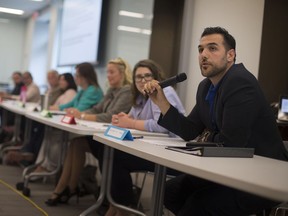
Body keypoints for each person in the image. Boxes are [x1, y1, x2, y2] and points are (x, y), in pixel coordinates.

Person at [143, 27, 288, 216]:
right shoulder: (205, 87)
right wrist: (161, 102)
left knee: (198, 206)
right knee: (170, 192)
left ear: (230, 55)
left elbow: (231, 143)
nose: (203, 55)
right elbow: (189, 130)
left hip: (263, 176)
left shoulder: (240, 82)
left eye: (212, 48)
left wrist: (206, 135)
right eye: (200, 49)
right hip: (231, 168)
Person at [96, 59, 185, 216]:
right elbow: (130, 119)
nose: (143, 80)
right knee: (108, 153)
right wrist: (122, 119)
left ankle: (121, 207)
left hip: (172, 154)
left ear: (156, 76)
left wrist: (130, 122)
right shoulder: (139, 96)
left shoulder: (165, 91)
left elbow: (162, 127)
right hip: (152, 150)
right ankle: (118, 206)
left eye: (147, 76)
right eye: (138, 77)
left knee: (115, 157)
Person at [45, 57, 133, 206]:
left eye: (112, 72)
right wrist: (79, 113)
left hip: (116, 141)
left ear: (123, 73)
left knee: (77, 143)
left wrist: (82, 115)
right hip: (105, 135)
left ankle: (64, 189)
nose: (108, 76)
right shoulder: (111, 91)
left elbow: (110, 116)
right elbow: (97, 109)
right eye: (107, 72)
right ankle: (67, 188)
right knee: (76, 143)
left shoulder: (127, 91)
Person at [32, 73, 77, 173]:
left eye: (62, 80)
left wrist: (51, 107)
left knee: (50, 135)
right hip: (59, 120)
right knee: (46, 133)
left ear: (68, 81)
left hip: (66, 124)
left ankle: (47, 166)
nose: (60, 82)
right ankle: (43, 164)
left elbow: (64, 108)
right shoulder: (64, 92)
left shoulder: (70, 92)